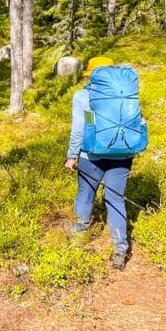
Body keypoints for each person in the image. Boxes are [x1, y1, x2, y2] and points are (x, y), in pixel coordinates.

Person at [65, 56, 133, 271]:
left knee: (86, 193)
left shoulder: (84, 96)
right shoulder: (126, 94)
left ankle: (80, 230)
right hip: (122, 153)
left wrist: (71, 155)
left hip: (91, 154)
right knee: (115, 199)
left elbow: (79, 129)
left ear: (91, 75)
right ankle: (120, 247)